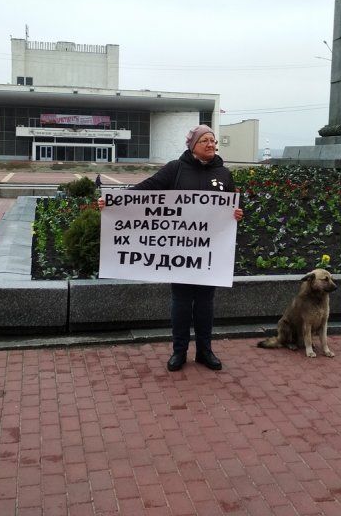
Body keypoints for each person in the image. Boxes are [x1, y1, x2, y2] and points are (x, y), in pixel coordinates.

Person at [98, 125, 243, 372]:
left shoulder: (224, 173)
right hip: (180, 252)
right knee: (182, 303)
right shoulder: (176, 169)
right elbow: (144, 191)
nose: (210, 144)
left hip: (209, 253)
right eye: (204, 140)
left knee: (206, 303)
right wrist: (113, 202)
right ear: (192, 145)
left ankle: (205, 351)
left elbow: (234, 206)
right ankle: (179, 351)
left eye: (213, 140)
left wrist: (239, 214)